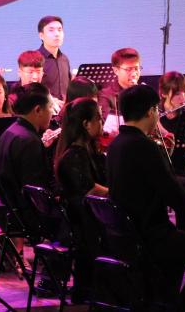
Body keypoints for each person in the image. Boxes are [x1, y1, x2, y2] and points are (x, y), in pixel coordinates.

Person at [107, 85, 185, 311]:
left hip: (127, 235)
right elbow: (171, 189)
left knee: (181, 252)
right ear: (151, 111)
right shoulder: (143, 146)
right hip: (150, 235)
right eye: (157, 110)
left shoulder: (116, 144)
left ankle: (166, 302)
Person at [53, 97, 108, 302]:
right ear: (86, 124)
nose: (102, 123)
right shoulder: (74, 155)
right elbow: (90, 189)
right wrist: (118, 193)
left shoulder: (86, 150)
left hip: (88, 220)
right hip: (82, 226)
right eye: (99, 119)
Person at [0, 83, 55, 238]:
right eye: (50, 107)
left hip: (6, 210)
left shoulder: (10, 131)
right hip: (24, 217)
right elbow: (35, 192)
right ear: (38, 110)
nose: (53, 112)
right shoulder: (29, 140)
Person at [99, 47, 143, 123]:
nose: (134, 74)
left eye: (136, 68)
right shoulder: (106, 95)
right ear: (116, 70)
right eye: (128, 69)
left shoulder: (143, 92)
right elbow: (109, 124)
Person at [37, 15, 71, 101]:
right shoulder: (36, 59)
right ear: (41, 35)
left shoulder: (64, 59)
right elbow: (29, 89)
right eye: (51, 30)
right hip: (44, 107)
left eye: (60, 30)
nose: (57, 34)